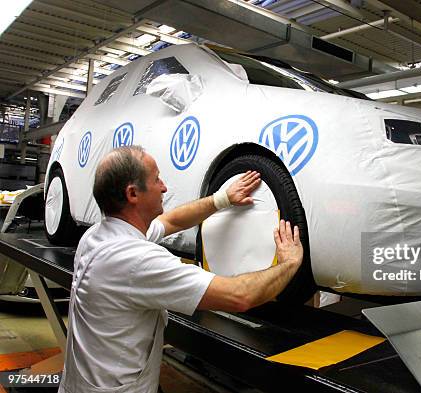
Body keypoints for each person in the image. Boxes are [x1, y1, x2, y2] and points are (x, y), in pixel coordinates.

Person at [58, 145, 303, 393]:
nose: (164, 187)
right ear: (133, 194)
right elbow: (240, 296)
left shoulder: (97, 235)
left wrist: (222, 198)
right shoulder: (135, 260)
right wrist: (289, 263)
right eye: (156, 180)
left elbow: (171, 221)